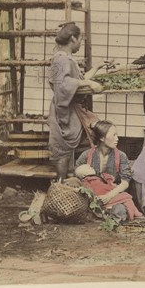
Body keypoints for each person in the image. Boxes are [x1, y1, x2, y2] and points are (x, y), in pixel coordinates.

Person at [48, 22, 104, 180]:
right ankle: (60, 185)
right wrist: (89, 84)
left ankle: (66, 183)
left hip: (70, 108)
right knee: (62, 148)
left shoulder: (67, 59)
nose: (80, 43)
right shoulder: (61, 59)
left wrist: (97, 67)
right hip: (63, 109)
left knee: (67, 148)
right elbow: (64, 84)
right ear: (73, 38)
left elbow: (78, 79)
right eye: (80, 39)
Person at [74, 121, 145, 223]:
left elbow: (125, 182)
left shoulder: (121, 156)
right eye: (114, 135)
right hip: (92, 198)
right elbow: (78, 176)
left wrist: (108, 196)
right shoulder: (87, 155)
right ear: (102, 138)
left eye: (117, 135)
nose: (117, 138)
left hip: (113, 195)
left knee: (120, 210)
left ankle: (102, 215)